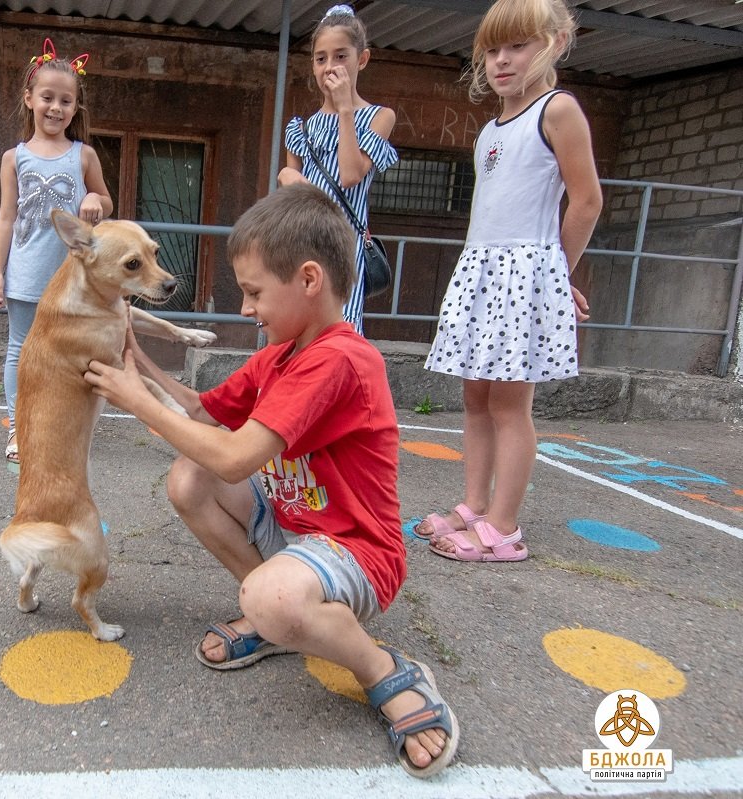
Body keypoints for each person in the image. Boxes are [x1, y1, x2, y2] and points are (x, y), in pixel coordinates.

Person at [84, 184, 458, 779]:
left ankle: (380, 669)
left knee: (266, 590)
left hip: (357, 554)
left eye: (254, 292)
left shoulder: (340, 359)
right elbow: (201, 413)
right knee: (188, 480)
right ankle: (279, 620)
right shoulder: (280, 355)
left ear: (309, 279)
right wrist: (135, 361)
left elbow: (236, 459)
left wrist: (138, 402)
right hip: (298, 532)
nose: (245, 309)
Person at [415, 0, 602, 562]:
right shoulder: (492, 128)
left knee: (509, 405)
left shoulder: (557, 110)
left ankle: (505, 527)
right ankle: (474, 505)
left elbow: (586, 202)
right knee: (475, 397)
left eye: (517, 46)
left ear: (557, 41)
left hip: (524, 275)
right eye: (492, 50)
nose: (501, 61)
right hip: (484, 269)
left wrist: (552, 275)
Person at [0, 37, 114, 466]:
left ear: (75, 108)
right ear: (30, 99)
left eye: (66, 100)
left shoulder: (84, 156)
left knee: (71, 352)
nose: (56, 108)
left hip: (72, 278)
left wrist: (95, 202)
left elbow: (106, 201)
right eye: (47, 98)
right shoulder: (14, 158)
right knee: (20, 350)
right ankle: (19, 430)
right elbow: (6, 218)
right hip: (24, 274)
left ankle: (64, 426)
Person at [278, 3, 397, 335]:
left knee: (338, 337)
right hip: (302, 245)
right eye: (321, 58)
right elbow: (293, 205)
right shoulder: (300, 129)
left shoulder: (379, 117)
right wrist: (289, 180)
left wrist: (345, 108)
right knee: (296, 335)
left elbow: (350, 174)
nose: (330, 67)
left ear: (362, 59)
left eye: (340, 56)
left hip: (344, 250)